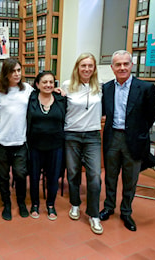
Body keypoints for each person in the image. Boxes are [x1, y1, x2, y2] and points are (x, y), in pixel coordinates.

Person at [99, 50, 155, 232]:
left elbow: (152, 114)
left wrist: (138, 130)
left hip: (134, 139)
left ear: (132, 65)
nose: (122, 67)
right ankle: (109, 207)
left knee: (130, 179)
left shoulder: (146, 88)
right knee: (110, 176)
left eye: (126, 64)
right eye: (118, 64)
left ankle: (126, 212)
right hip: (112, 138)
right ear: (112, 67)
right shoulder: (106, 88)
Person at [62, 53, 103, 234]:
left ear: (94, 68)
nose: (86, 69)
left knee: (94, 175)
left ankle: (94, 214)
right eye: (83, 65)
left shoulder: (101, 87)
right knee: (73, 173)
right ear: (77, 67)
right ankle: (75, 204)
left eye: (90, 66)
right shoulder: (66, 85)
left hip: (93, 136)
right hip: (71, 135)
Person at [0, 58, 32, 221]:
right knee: (3, 177)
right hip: (1, 141)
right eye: (13, 71)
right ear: (6, 74)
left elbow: (44, 95)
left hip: (20, 141)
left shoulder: (28, 89)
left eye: (18, 70)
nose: (16, 74)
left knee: (20, 175)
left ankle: (21, 203)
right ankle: (7, 204)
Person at [26, 71, 66, 221]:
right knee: (35, 176)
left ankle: (51, 204)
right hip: (35, 146)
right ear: (37, 84)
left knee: (53, 177)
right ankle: (35, 204)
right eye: (44, 82)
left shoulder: (61, 99)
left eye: (51, 82)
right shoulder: (31, 98)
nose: (48, 85)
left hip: (56, 146)